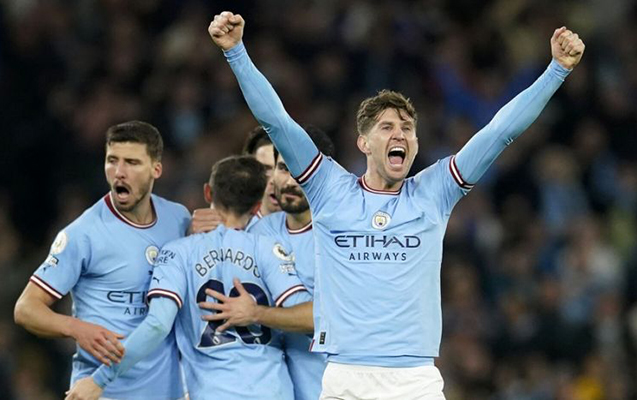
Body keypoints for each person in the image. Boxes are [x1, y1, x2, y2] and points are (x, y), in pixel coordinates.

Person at [208, 11, 585, 399]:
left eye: (407, 128)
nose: (399, 134)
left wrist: (556, 71)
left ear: (416, 144)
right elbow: (277, 122)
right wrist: (236, 52)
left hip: (414, 380)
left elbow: (499, 132)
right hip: (346, 377)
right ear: (364, 143)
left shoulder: (434, 192)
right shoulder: (328, 189)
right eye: (387, 127)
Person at [65, 155, 313, 400]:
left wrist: (100, 379)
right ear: (257, 207)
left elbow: (157, 325)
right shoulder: (269, 249)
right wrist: (260, 313)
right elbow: (309, 317)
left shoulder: (177, 252)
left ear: (208, 193)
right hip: (273, 392)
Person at [14, 121, 189, 399]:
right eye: (112, 161)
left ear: (156, 169)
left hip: (167, 392)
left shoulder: (178, 218)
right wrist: (76, 329)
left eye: (132, 162)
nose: (119, 172)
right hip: (102, 391)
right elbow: (26, 308)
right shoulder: (83, 234)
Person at [202, 125, 335, 400]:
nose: (291, 181)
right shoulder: (259, 231)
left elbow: (326, 317)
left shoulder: (340, 238)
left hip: (330, 388)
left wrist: (257, 314)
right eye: (284, 168)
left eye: (302, 172)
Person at [189, 125, 280, 235]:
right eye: (265, 169)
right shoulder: (209, 229)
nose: (275, 179)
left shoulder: (299, 234)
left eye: (285, 169)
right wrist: (190, 235)